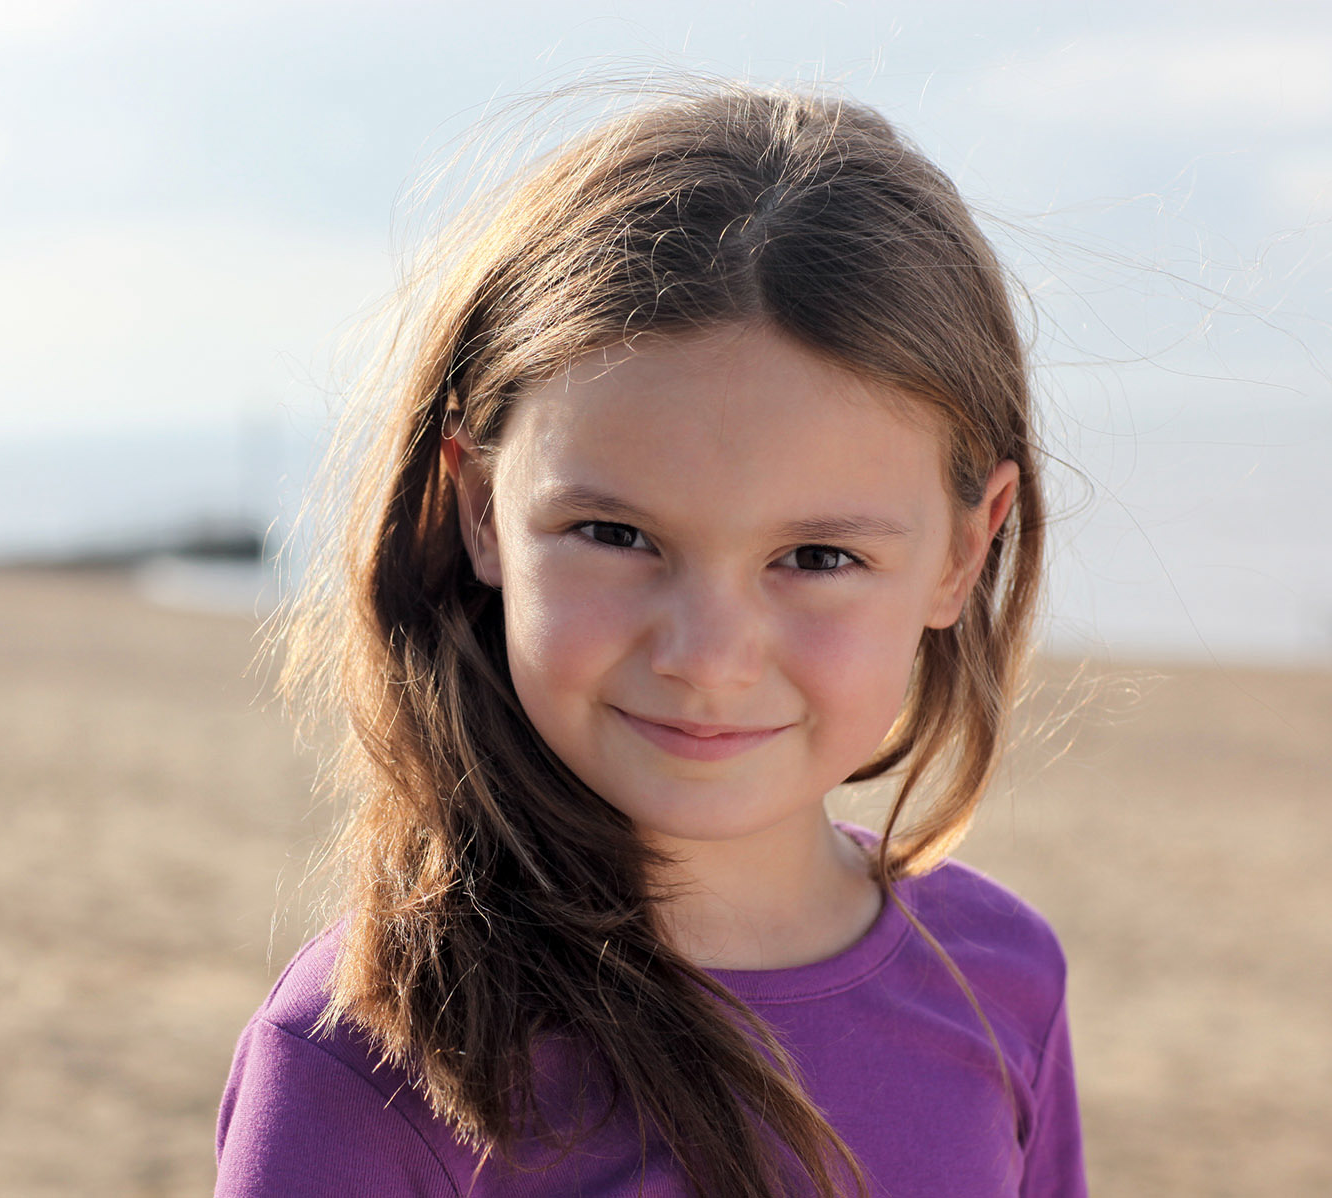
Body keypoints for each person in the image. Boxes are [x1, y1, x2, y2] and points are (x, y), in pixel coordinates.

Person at [215, 80, 1084, 1198]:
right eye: (616, 533)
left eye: (817, 558)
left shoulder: (1001, 977)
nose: (707, 653)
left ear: (966, 550)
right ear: (480, 509)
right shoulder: (366, 1069)